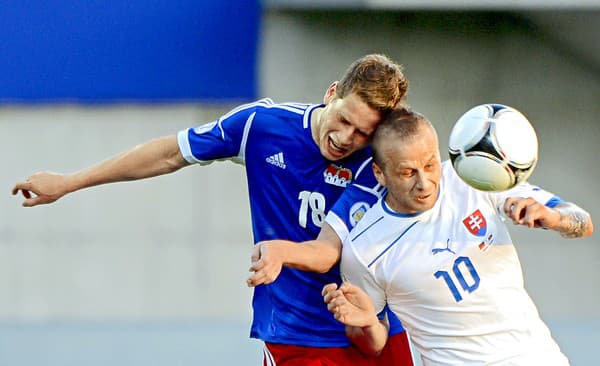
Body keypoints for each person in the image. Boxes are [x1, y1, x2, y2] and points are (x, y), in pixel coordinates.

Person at [12, 54, 415, 365]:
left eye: (363, 132)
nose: (347, 138)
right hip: (300, 336)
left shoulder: (374, 162)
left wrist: (280, 250)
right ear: (331, 94)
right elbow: (171, 154)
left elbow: (330, 250)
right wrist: (70, 181)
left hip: (377, 328)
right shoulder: (262, 125)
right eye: (344, 120)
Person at [320, 107, 593, 365]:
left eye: (429, 165)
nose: (424, 182)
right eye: (407, 172)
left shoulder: (472, 177)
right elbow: (373, 344)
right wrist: (366, 324)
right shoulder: (364, 248)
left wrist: (554, 218)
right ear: (380, 173)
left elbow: (583, 221)